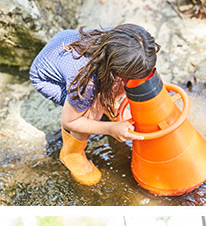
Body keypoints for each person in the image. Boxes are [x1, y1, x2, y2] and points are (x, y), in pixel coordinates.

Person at [29, 24, 156, 185]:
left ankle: (110, 104)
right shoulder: (84, 83)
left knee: (122, 82)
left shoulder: (125, 42)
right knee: (91, 112)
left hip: (69, 46)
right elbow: (70, 121)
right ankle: (71, 153)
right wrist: (110, 129)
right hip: (47, 78)